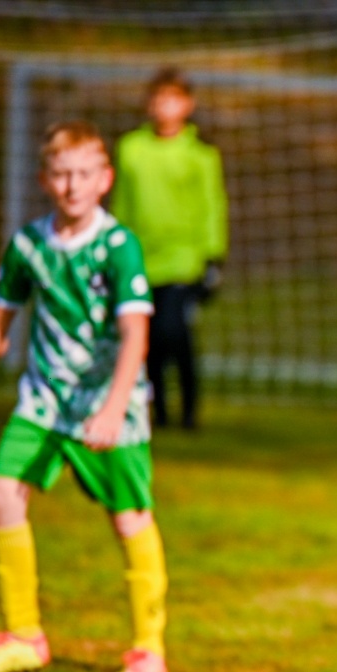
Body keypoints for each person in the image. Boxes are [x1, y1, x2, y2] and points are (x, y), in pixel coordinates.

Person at [0, 122, 169, 672]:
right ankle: (24, 636)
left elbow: (136, 335)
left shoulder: (119, 247)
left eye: (85, 174)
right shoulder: (28, 245)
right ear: (45, 179)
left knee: (128, 517)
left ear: (104, 180)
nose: (72, 186)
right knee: (0, 492)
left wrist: (114, 407)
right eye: (61, 174)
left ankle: (148, 646)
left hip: (108, 401)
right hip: (44, 401)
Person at [112, 66, 227, 431]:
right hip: (142, 258)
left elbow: (213, 205)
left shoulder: (201, 155)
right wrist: (115, 246)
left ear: (187, 105)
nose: (165, 107)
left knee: (173, 332)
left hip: (183, 258)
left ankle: (189, 411)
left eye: (173, 100)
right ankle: (158, 410)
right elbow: (122, 203)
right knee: (146, 338)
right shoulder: (131, 149)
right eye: (159, 99)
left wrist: (213, 256)